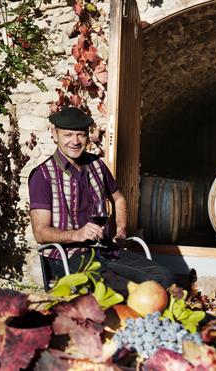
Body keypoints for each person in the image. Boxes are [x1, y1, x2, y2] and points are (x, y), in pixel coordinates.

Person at [28, 106, 173, 295]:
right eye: (68, 135)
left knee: (163, 277)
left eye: (80, 135)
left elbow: (119, 198)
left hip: (105, 251)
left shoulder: (96, 165)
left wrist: (120, 232)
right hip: (67, 256)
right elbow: (40, 233)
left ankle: (145, 322)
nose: (75, 141)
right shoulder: (42, 176)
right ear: (54, 134)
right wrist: (76, 235)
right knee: (115, 289)